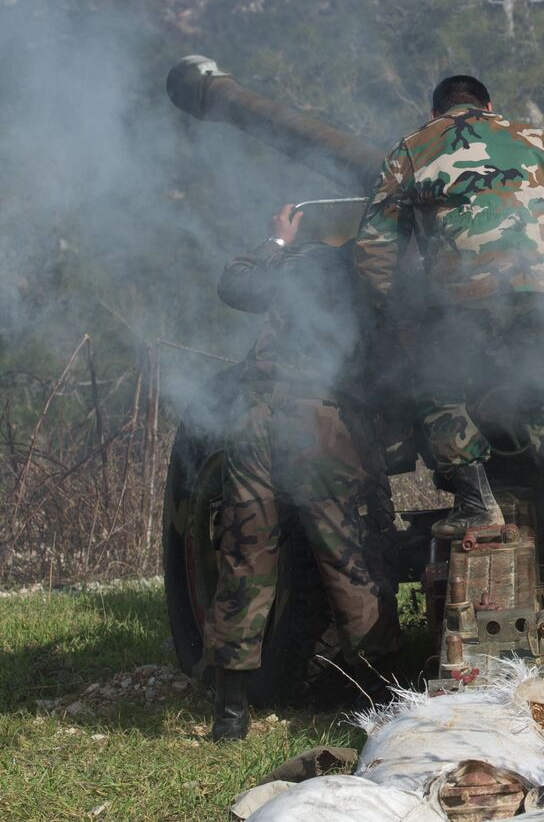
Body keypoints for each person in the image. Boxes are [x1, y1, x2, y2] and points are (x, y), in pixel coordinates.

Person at [355, 75, 544, 560]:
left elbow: (375, 246)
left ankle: (478, 506)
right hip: (540, 288)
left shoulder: (411, 149)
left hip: (462, 294)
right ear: (489, 106)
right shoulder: (533, 140)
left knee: (439, 388)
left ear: (436, 114)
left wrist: (387, 312)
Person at [205, 204, 401, 741]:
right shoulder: (366, 269)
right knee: (349, 552)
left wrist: (276, 241)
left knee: (245, 553)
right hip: (321, 420)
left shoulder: (291, 265)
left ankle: (230, 713)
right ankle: (384, 698)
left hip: (254, 418)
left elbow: (234, 284)